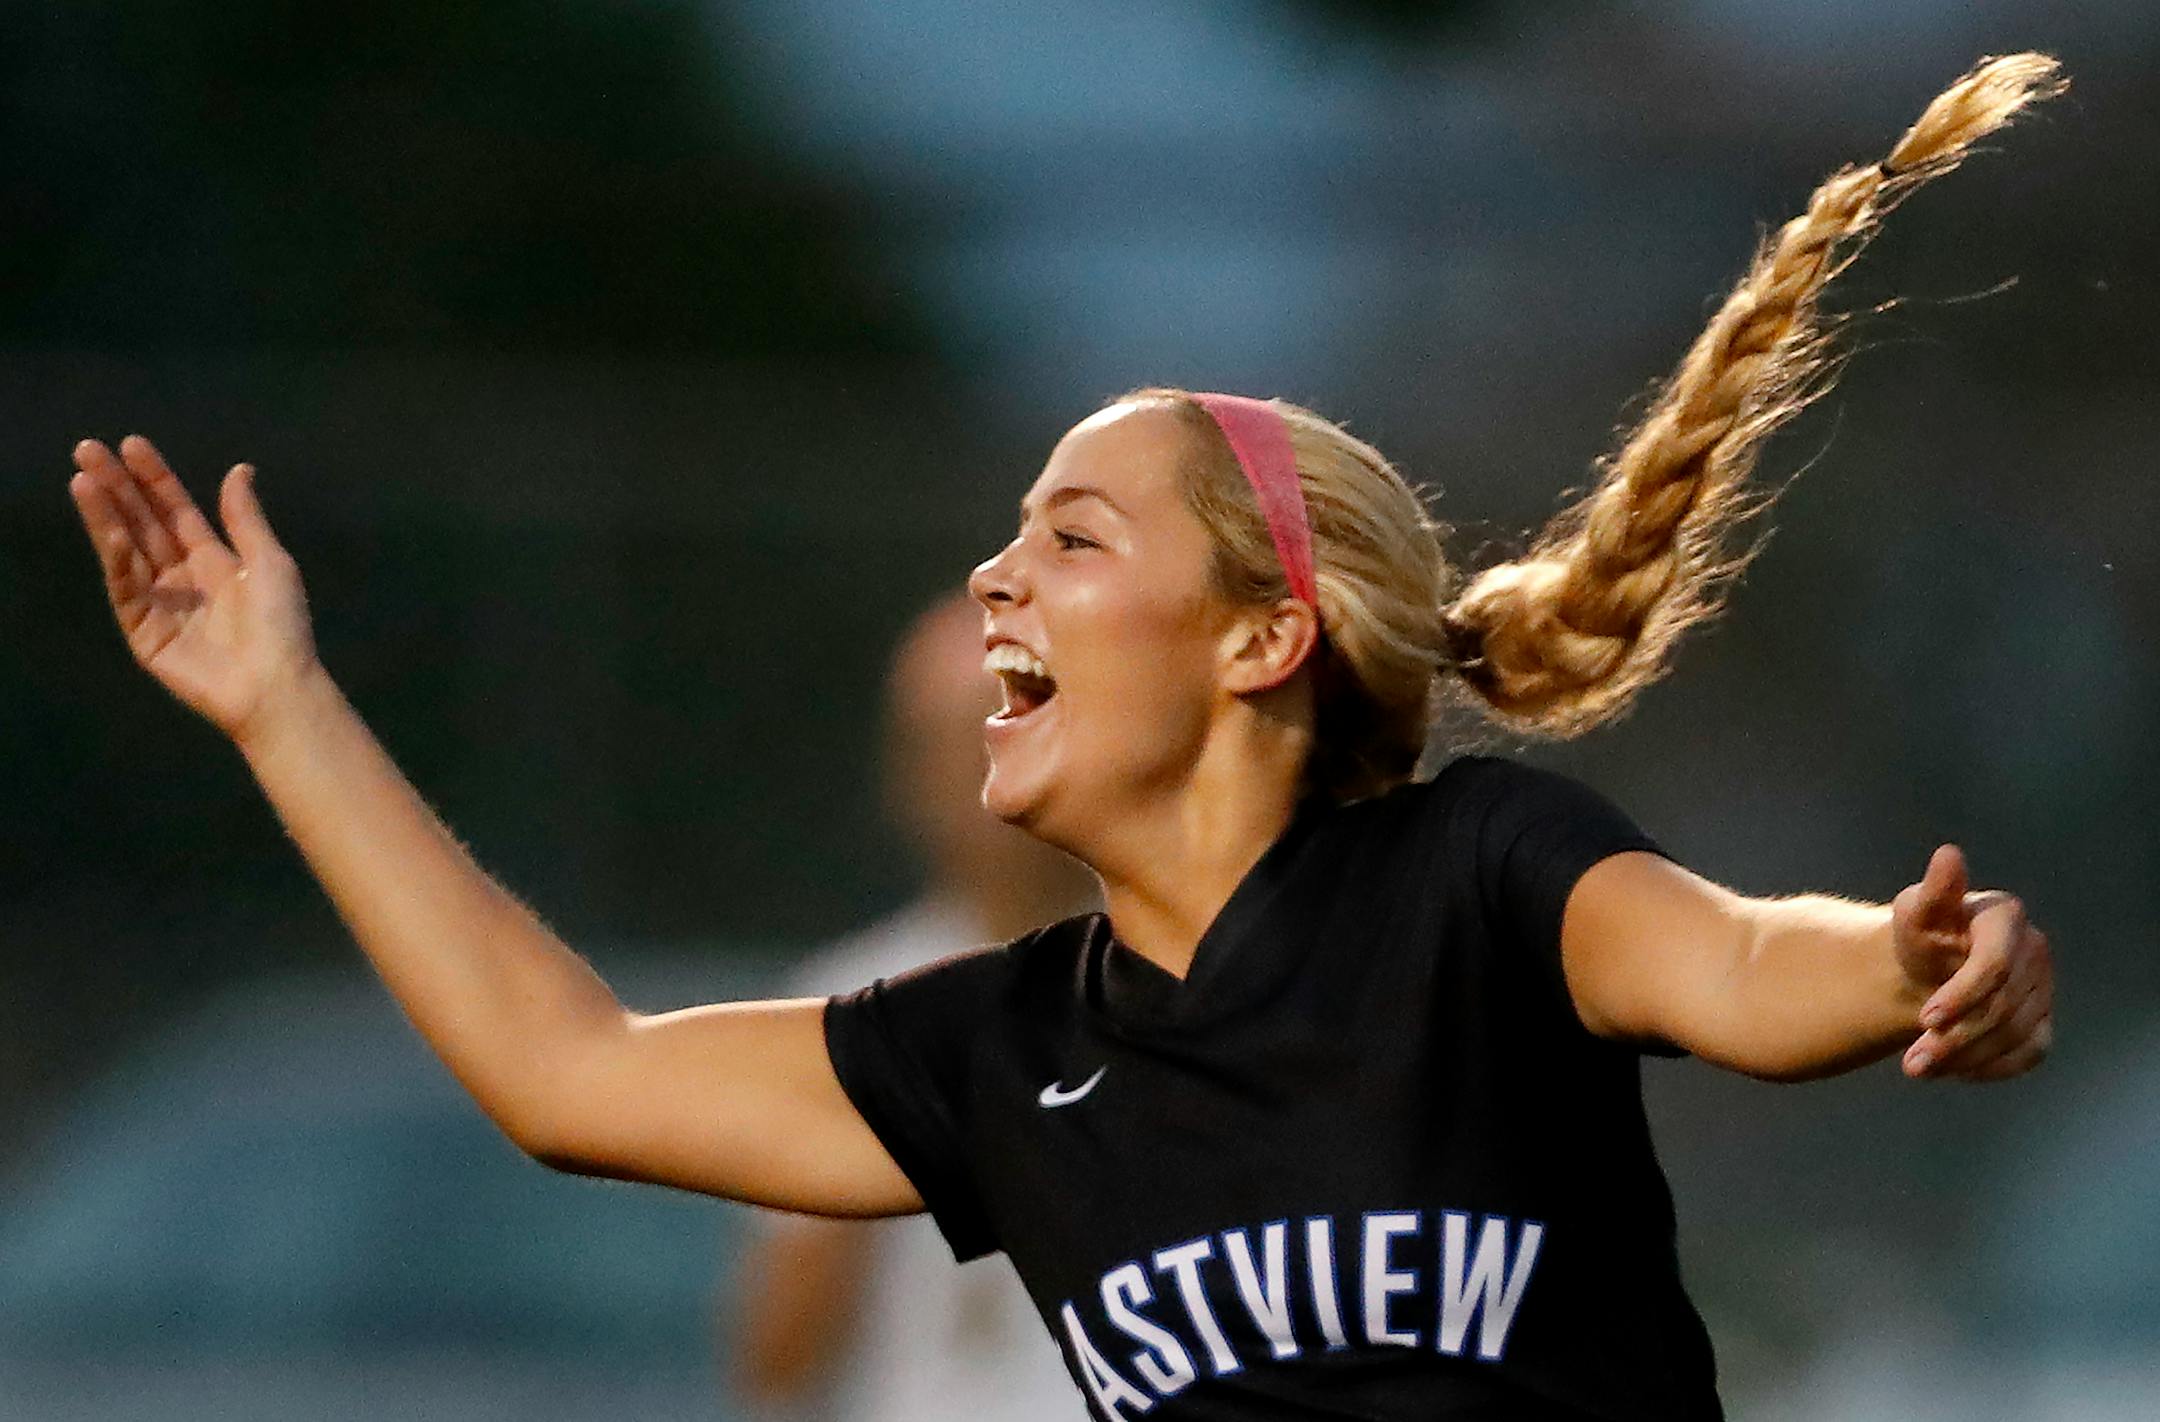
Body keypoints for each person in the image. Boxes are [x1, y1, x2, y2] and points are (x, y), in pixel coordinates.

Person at [66, 53, 2061, 1422]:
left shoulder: (1479, 885)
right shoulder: (1000, 1046)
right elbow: (565, 1074)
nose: (998, 578)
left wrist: (1898, 962)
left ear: (1264, 635)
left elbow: (1728, 957)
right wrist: (282, 708)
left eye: (1072, 536)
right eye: (1008, 532)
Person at [728, 592, 1091, 1420]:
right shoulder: (844, 999)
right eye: (953, 743)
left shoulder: (1180, 969)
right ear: (909, 776)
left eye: (1011, 722)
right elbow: (776, 1362)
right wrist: (867, 1137)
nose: (984, 770)